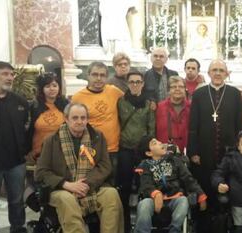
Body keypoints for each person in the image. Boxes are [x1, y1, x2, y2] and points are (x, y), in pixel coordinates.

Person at [35, 103, 124, 233]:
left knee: (111, 195)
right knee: (67, 200)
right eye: (75, 118)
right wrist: (66, 184)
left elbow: (105, 165)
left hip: (91, 186)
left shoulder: (97, 137)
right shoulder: (51, 140)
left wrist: (86, 184)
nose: (79, 121)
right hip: (62, 188)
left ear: (87, 119)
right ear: (66, 119)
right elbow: (41, 172)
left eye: (83, 118)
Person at [187, 59, 242, 232]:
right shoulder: (199, 94)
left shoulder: (234, 93)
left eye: (221, 70)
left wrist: (238, 150)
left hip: (228, 151)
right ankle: (203, 223)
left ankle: (224, 223)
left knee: (226, 187)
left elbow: (239, 124)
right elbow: (193, 125)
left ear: (226, 73)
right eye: (214, 70)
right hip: (203, 151)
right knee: (204, 185)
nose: (218, 73)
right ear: (209, 73)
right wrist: (193, 151)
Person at [134, 136, 207, 233]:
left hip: (174, 197)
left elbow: (188, 179)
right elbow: (146, 184)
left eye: (158, 140)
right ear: (149, 153)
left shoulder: (174, 160)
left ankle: (174, 230)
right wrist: (156, 193)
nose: (160, 143)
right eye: (154, 143)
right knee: (143, 204)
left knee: (183, 201)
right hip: (153, 199)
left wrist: (201, 194)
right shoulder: (145, 166)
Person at [72, 61, 124, 184]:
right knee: (90, 183)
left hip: (113, 149)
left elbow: (130, 100)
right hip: (90, 150)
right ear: (88, 76)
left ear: (107, 77)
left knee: (112, 184)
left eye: (102, 75)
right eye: (95, 74)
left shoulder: (114, 91)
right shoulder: (78, 97)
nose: (99, 78)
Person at [117, 71, 155, 233]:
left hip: (141, 153)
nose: (134, 84)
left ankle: (142, 225)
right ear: (127, 83)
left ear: (143, 84)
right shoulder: (120, 102)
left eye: (138, 82)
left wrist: (148, 150)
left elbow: (151, 128)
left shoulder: (148, 104)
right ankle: (124, 225)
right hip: (124, 149)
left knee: (143, 187)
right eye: (131, 82)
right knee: (124, 188)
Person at [0, 61, 28, 233]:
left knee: (16, 200)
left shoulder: (21, 102)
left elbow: (26, 130)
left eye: (11, 74)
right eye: (4, 74)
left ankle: (18, 227)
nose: (10, 78)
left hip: (16, 162)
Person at [28, 72, 69, 162]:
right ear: (42, 89)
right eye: (47, 86)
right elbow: (29, 131)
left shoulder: (66, 105)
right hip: (39, 154)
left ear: (59, 87)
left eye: (54, 85)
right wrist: (28, 151)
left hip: (63, 153)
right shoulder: (34, 106)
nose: (52, 89)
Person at [156, 76, 190, 152]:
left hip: (186, 152)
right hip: (163, 152)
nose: (177, 89)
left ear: (185, 89)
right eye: (174, 86)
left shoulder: (192, 108)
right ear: (169, 90)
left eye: (181, 86)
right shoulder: (159, 107)